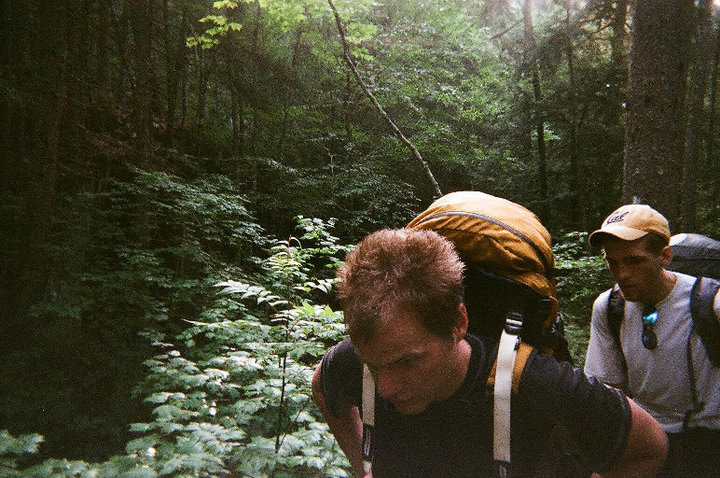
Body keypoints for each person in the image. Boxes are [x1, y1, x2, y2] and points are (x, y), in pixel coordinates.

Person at [312, 228, 667, 478]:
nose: (386, 388)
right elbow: (323, 386)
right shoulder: (360, 359)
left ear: (457, 324)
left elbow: (649, 446)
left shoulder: (531, 381)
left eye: (407, 362)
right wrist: (364, 467)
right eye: (373, 366)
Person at [584, 204, 720, 477]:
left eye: (634, 261)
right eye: (613, 262)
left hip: (708, 442)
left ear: (665, 256)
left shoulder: (710, 303)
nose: (622, 274)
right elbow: (606, 388)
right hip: (645, 438)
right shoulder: (609, 307)